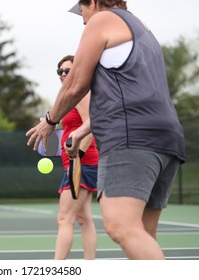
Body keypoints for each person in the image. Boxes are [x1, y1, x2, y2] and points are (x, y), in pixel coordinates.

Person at [26, 0, 185, 260]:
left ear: (94, 2)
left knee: (120, 225)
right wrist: (79, 133)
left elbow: (76, 83)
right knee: (143, 232)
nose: (84, 19)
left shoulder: (103, 20)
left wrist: (50, 120)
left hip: (131, 137)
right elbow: (124, 91)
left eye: (83, 10)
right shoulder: (141, 28)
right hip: (167, 138)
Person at [53, 55, 99, 260]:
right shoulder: (70, 96)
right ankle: (90, 265)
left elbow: (92, 125)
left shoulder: (81, 94)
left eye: (68, 70)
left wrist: (76, 159)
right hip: (79, 162)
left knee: (65, 218)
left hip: (82, 162)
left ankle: (56, 268)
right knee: (84, 218)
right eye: (60, 71)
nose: (63, 74)